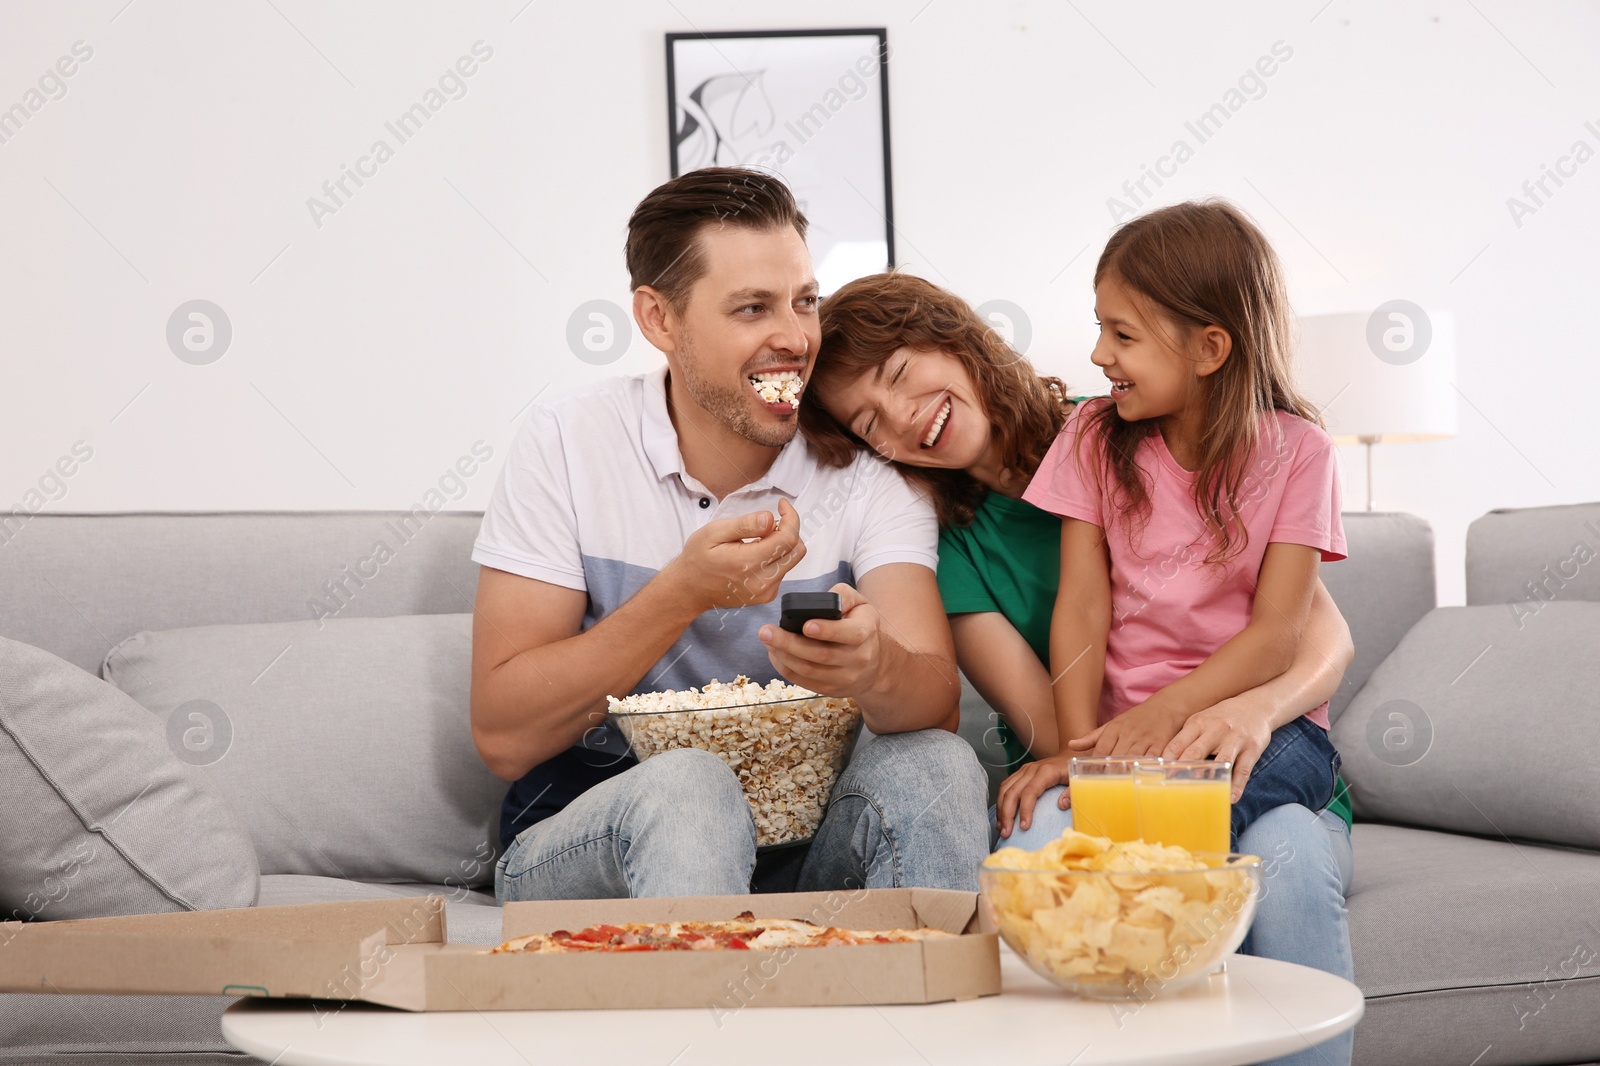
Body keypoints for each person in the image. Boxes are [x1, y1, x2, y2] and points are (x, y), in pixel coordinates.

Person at [803, 206, 1355, 1066]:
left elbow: (1310, 638)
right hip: (1116, 760)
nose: (904, 417)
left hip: (1251, 742)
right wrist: (1087, 757)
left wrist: (1248, 714)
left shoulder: (1138, 423)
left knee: (1279, 848)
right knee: (1043, 855)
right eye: (870, 422)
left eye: (904, 373)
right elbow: (1064, 684)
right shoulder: (954, 544)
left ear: (958, 339)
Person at [468, 166, 989, 904]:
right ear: (659, 320)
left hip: (803, 854)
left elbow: (932, 704)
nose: (795, 338)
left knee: (936, 763)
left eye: (805, 302)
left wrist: (875, 667)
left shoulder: (869, 472)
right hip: (585, 840)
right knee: (689, 784)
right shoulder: (569, 442)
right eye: (752, 308)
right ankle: (710, 1013)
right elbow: (504, 738)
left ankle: (929, 1010)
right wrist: (681, 594)